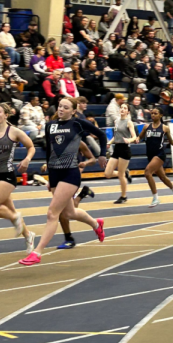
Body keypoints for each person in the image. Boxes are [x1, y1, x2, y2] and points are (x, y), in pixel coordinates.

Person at [18, 97, 106, 265]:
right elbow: (50, 151)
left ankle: (37, 253)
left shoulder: (78, 124)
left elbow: (101, 134)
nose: (61, 109)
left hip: (70, 173)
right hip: (56, 174)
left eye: (65, 107)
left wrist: (101, 154)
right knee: (69, 213)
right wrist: (51, 178)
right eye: (60, 106)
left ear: (73, 111)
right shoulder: (51, 125)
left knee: (52, 213)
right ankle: (96, 224)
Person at [0, 103, 36, 250]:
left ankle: (15, 218)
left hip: (7, 175)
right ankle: (28, 235)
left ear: (6, 115)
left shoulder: (14, 132)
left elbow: (31, 147)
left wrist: (27, 159)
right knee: (11, 210)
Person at [137, 108, 173, 206]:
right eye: (152, 113)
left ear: (160, 115)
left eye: (155, 113)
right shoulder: (146, 127)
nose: (153, 115)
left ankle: (156, 198)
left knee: (147, 172)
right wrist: (137, 139)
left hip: (159, 155)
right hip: (150, 155)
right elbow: (140, 137)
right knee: (163, 177)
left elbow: (171, 141)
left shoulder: (165, 128)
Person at [104, 102, 136, 202]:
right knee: (107, 174)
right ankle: (126, 172)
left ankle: (123, 196)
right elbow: (116, 136)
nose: (122, 109)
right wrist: (109, 142)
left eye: (124, 108)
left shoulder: (129, 122)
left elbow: (134, 137)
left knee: (120, 175)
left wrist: (129, 140)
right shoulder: (116, 121)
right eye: (121, 107)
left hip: (125, 149)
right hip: (117, 148)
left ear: (128, 111)